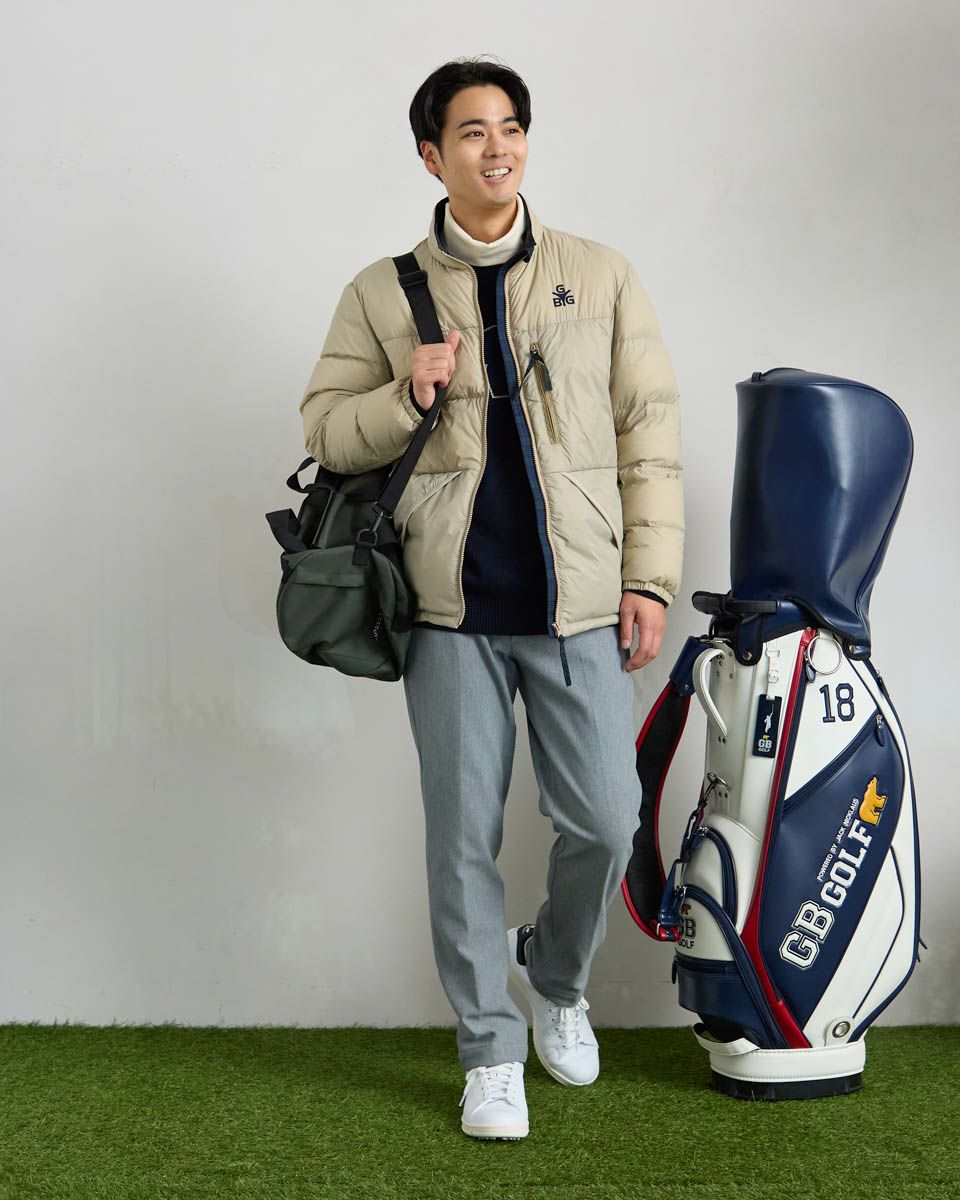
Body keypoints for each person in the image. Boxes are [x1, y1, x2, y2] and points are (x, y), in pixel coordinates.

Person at [299, 56, 684, 1141]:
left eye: (509, 127)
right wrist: (402, 392)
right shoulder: (381, 292)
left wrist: (648, 580)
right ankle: (489, 1051)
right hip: (449, 612)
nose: (496, 147)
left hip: (577, 603)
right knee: (462, 838)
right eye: (471, 132)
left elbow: (650, 433)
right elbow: (323, 426)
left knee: (606, 820)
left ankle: (554, 978)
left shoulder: (599, 275)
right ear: (432, 155)